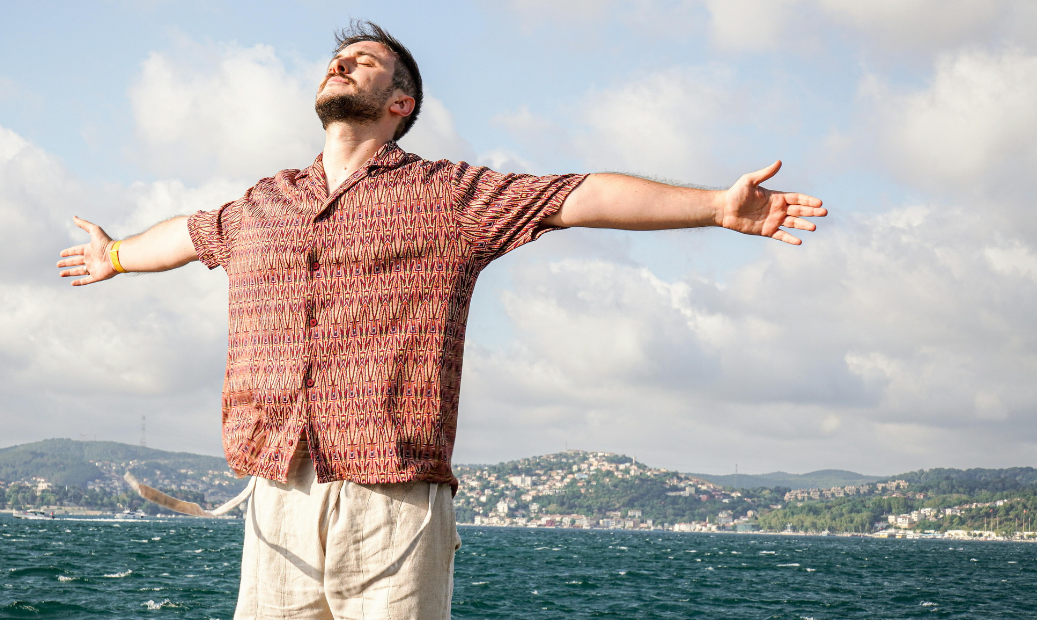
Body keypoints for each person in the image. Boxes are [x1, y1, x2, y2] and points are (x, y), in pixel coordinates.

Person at [57, 20, 825, 620]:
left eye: (364, 61)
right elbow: (188, 235)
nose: (341, 64)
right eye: (337, 59)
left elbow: (578, 196)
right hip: (276, 490)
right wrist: (114, 254)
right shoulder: (262, 203)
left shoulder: (449, 197)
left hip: (392, 497)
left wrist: (715, 207)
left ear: (401, 105)